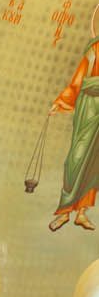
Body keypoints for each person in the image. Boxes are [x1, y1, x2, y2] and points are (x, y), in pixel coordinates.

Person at [47, 36, 99, 232]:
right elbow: (78, 81)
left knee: (95, 165)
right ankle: (64, 212)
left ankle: (82, 213)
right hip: (88, 109)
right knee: (75, 160)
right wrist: (60, 102)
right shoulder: (94, 49)